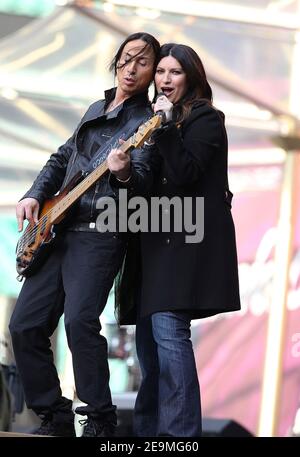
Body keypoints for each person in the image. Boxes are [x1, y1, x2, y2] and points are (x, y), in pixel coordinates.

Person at [9, 32, 160, 437]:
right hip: (56, 227)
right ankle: (55, 415)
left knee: (79, 322)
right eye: (127, 59)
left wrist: (124, 170)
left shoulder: (147, 121)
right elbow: (63, 157)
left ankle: (99, 420)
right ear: (116, 61)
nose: (131, 68)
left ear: (152, 72)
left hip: (99, 232)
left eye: (142, 63)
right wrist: (34, 195)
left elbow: (142, 181)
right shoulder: (97, 107)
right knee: (24, 325)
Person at [118, 43, 241, 437]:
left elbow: (186, 172)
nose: (164, 80)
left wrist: (168, 126)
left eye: (174, 73)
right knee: (150, 350)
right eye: (161, 73)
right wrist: (122, 173)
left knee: (170, 333)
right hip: (153, 243)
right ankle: (149, 433)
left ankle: (180, 436)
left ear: (191, 78)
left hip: (187, 244)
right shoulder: (153, 125)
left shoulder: (206, 119)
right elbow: (143, 186)